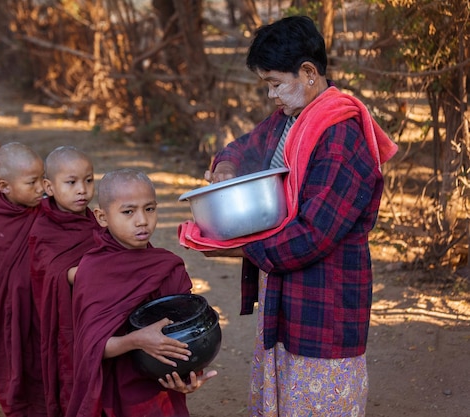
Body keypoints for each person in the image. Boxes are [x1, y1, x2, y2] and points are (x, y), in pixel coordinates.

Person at [179, 16, 398, 416]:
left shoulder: (340, 136)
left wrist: (242, 249)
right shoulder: (290, 119)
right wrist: (226, 166)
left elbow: (313, 234)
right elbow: (244, 147)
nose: (271, 95)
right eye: (267, 85)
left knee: (317, 402)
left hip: (326, 303)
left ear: (309, 73)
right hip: (286, 295)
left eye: (275, 83)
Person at [67, 168, 217, 417]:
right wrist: (135, 340)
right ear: (102, 217)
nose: (142, 220)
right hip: (115, 391)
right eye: (128, 212)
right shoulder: (94, 270)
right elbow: (90, 346)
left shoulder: (167, 266)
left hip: (160, 385)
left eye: (150, 209)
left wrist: (191, 374)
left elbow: (187, 332)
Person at [28, 146, 102, 416]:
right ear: (48, 186)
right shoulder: (45, 228)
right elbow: (54, 272)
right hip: (67, 323)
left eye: (89, 180)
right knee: (73, 376)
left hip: (96, 317)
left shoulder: (93, 220)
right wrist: (105, 269)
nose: (82, 189)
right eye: (71, 183)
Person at [0, 142, 47, 417]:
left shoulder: (48, 212)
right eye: (32, 183)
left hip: (42, 309)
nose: (41, 188)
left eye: (43, 180)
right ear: (5, 187)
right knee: (19, 366)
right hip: (12, 310)